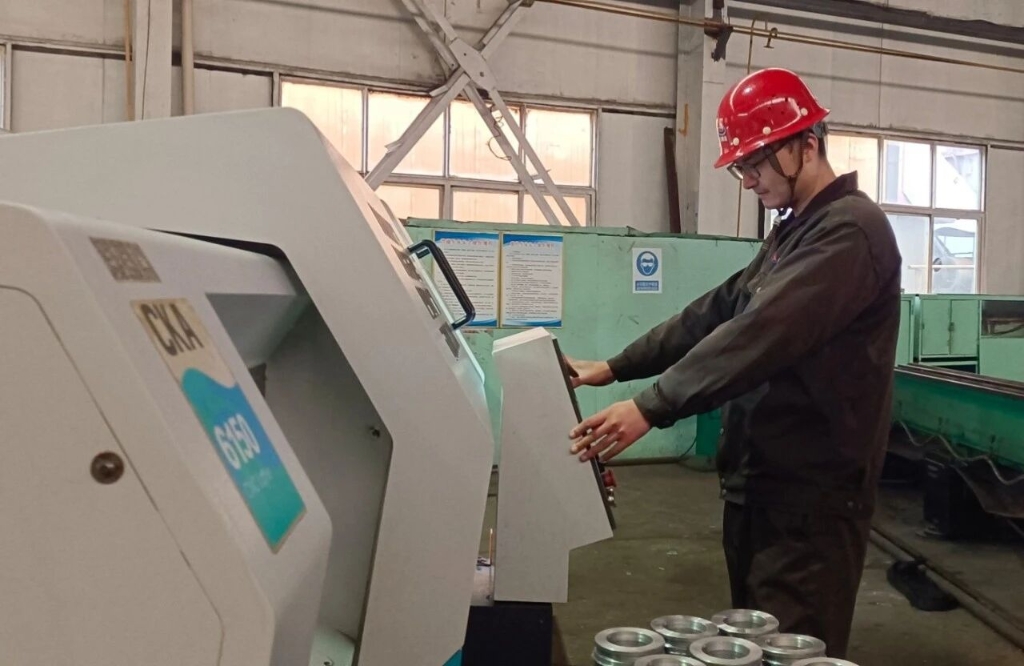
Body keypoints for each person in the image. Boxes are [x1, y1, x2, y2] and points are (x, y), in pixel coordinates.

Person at [566, 67, 902, 659]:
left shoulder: (851, 232)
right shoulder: (795, 232)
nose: (747, 180)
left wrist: (651, 407)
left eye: (755, 164)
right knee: (756, 644)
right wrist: (616, 367)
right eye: (740, 168)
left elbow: (758, 333)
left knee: (793, 649)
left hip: (811, 499)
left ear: (806, 145)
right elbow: (718, 309)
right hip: (765, 486)